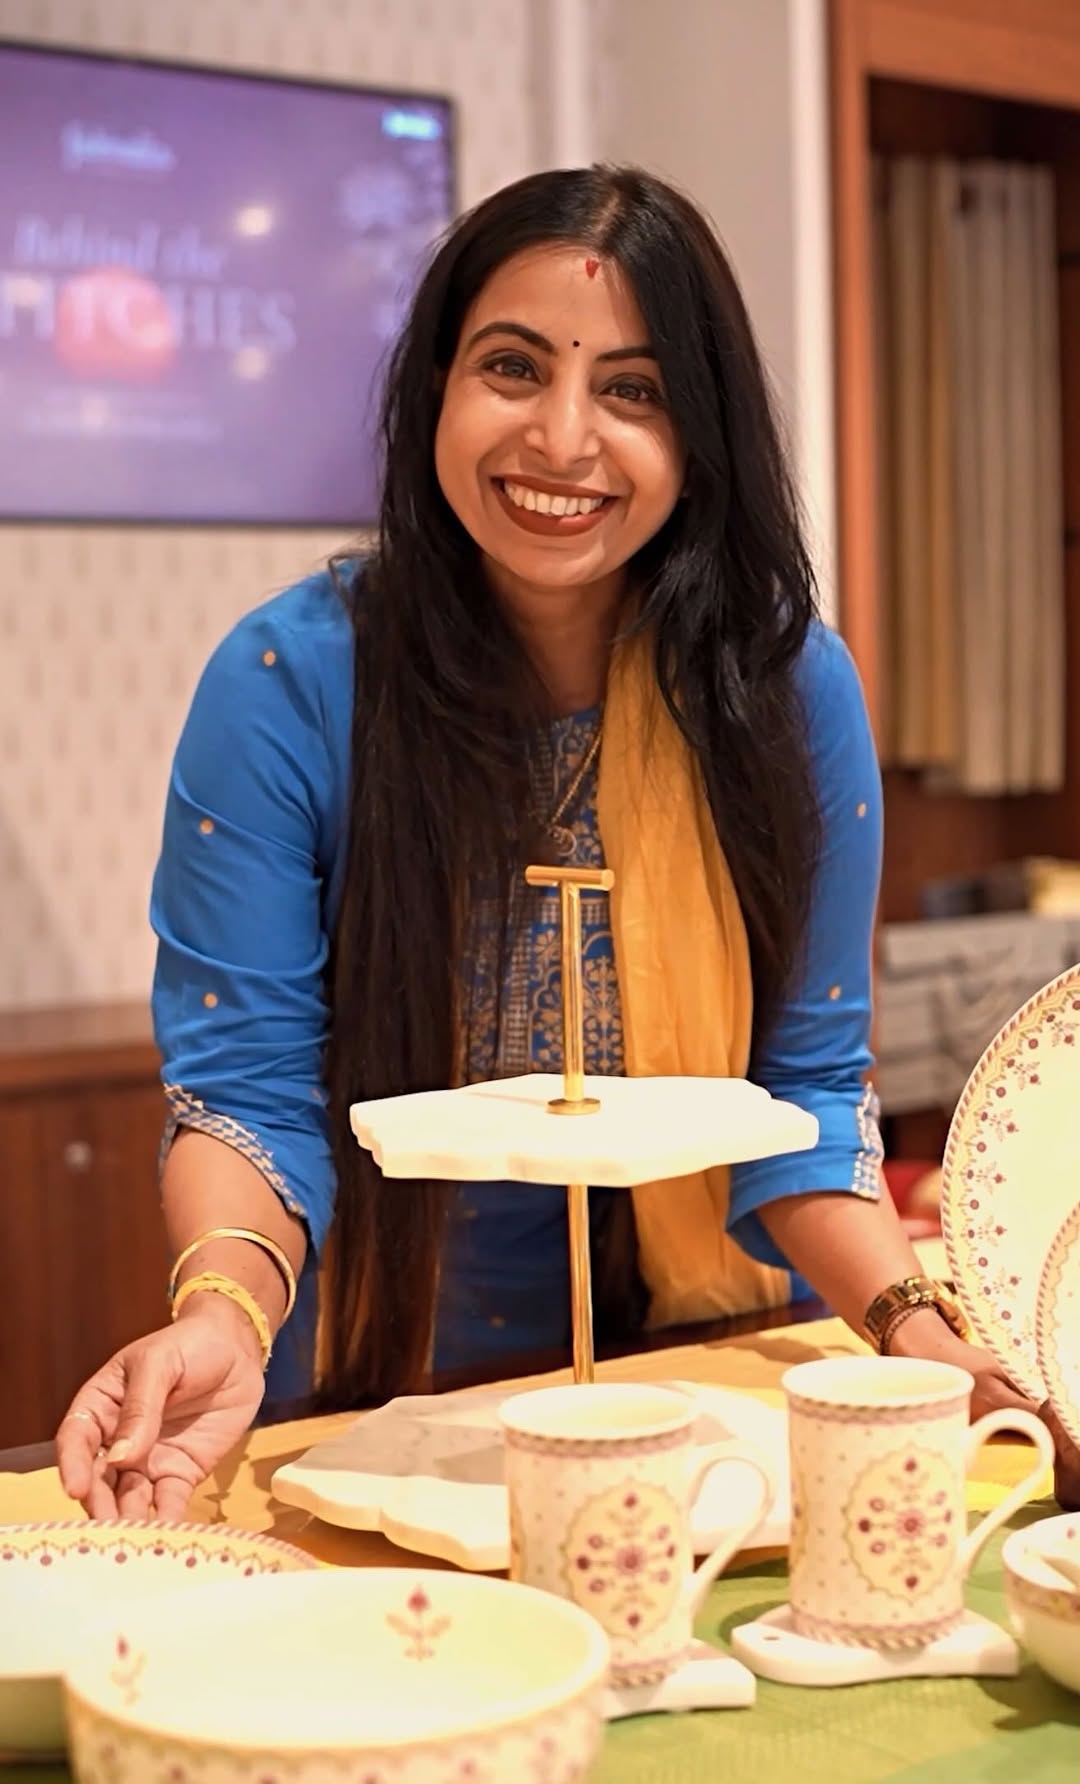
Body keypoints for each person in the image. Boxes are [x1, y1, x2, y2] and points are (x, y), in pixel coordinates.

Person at [57, 165, 1078, 1519]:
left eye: (632, 389)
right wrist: (220, 1317)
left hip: (694, 1389)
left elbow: (806, 1099)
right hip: (375, 1404)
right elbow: (247, 1097)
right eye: (513, 367)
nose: (562, 437)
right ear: (437, 386)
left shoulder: (783, 694)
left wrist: (918, 1334)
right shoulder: (288, 683)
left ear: (699, 432)